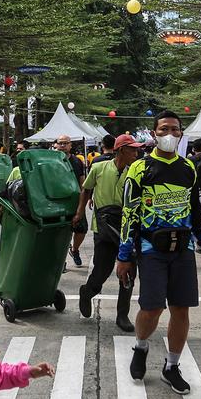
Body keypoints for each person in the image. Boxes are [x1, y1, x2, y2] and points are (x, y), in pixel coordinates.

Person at [116, 111, 201, 395]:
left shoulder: (189, 168)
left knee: (181, 309)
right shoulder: (139, 169)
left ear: (182, 134)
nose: (169, 134)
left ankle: (171, 366)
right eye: (164, 129)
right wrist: (124, 256)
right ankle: (141, 346)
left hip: (182, 249)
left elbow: (197, 210)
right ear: (154, 133)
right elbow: (129, 216)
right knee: (152, 308)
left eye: (175, 129)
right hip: (150, 250)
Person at [76, 134, 142, 332]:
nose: (136, 153)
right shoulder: (98, 168)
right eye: (132, 149)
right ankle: (87, 291)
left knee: (128, 271)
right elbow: (86, 190)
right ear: (121, 150)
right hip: (103, 228)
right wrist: (80, 212)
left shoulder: (136, 172)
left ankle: (122, 315)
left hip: (128, 228)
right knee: (102, 271)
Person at [55, 135, 88, 267]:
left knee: (81, 229)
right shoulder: (51, 161)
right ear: (56, 145)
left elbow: (82, 183)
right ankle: (61, 259)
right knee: (59, 232)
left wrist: (83, 201)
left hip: (75, 200)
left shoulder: (77, 161)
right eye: (60, 143)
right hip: (57, 201)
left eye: (65, 143)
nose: (62, 146)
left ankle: (75, 250)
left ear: (70, 145)